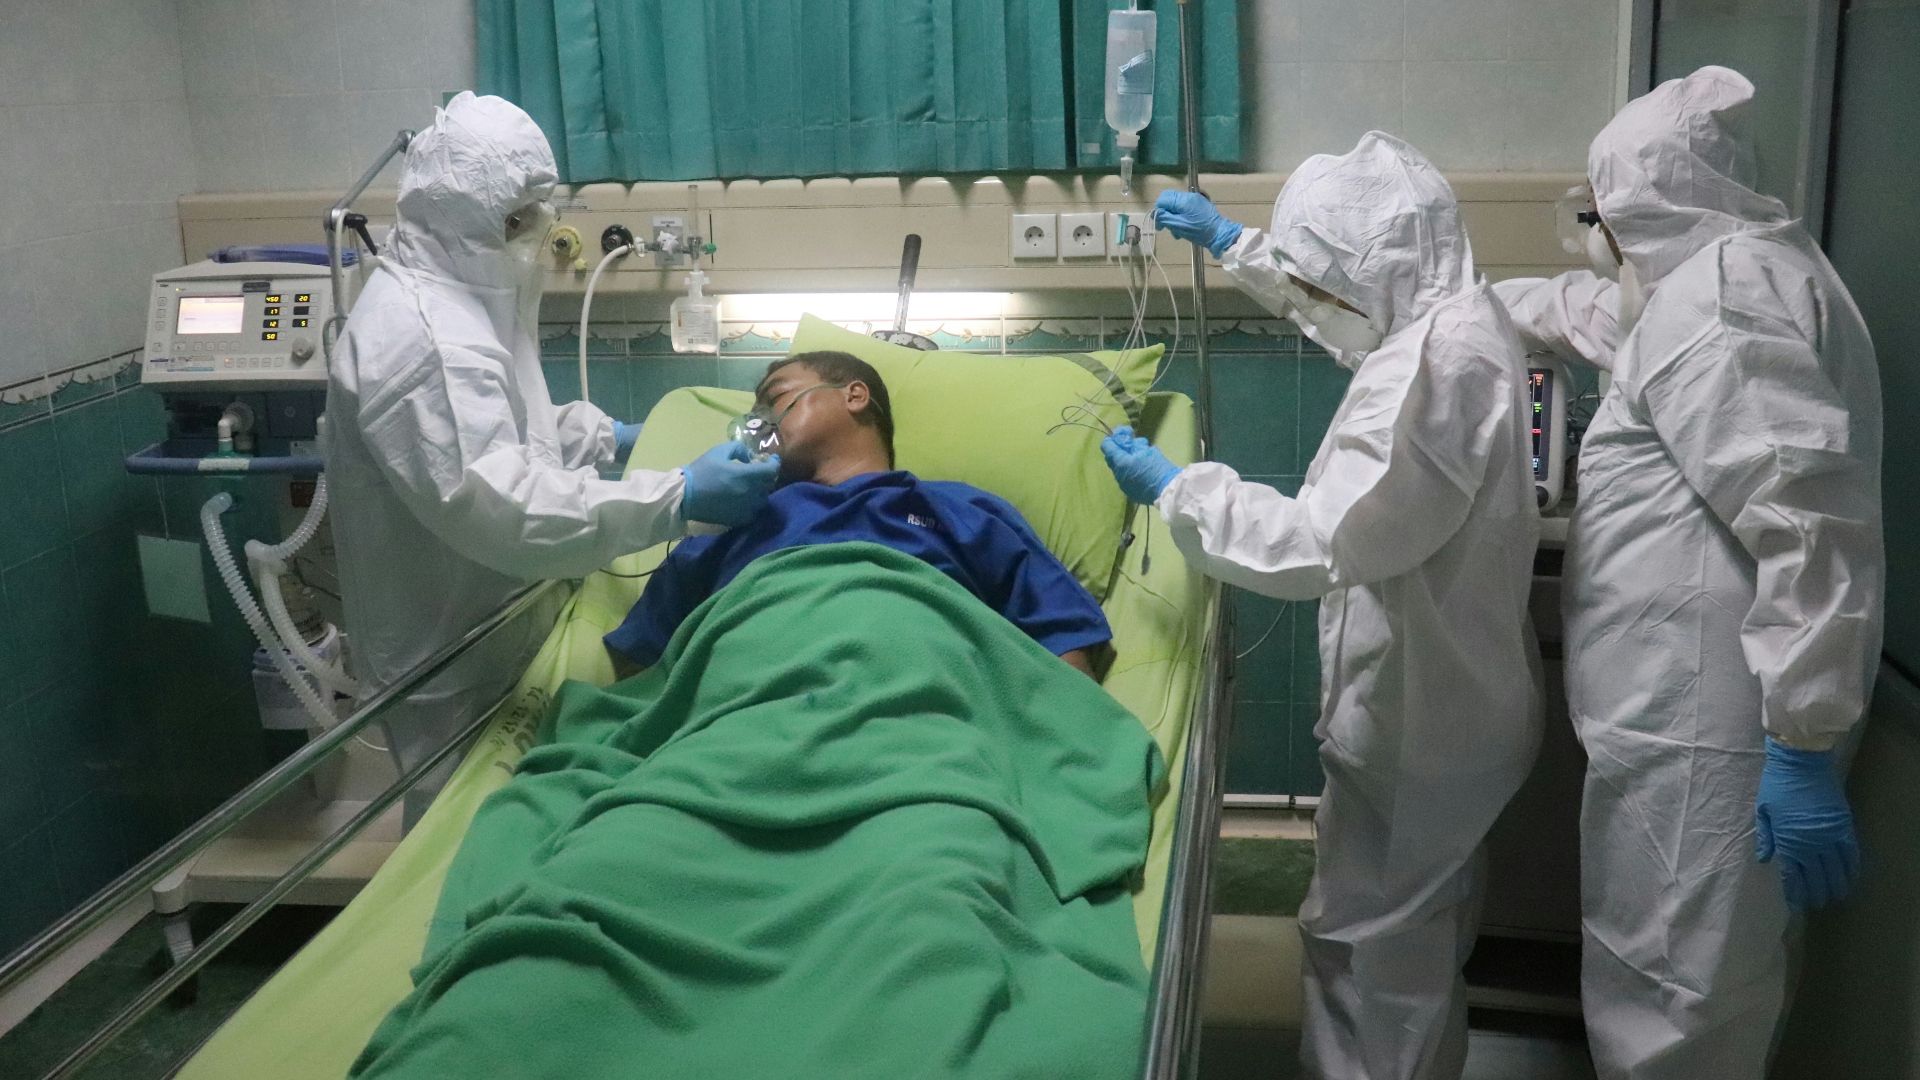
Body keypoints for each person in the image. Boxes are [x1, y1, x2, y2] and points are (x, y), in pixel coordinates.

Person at [1105, 132, 1541, 1080]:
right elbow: (1350, 314)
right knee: (1412, 935)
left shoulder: (1433, 369)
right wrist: (1237, 247)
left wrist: (1179, 492)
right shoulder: (1441, 316)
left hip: (1422, 720)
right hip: (1450, 703)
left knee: (1369, 947)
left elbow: (1319, 542)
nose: (1325, 296)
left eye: (1327, 276)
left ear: (1376, 266)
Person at [1492, 66, 1882, 1079]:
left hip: (1708, 727)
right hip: (1698, 715)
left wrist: (1802, 737)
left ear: (1642, 204)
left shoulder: (1720, 301)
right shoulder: (1726, 278)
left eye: (1601, 214)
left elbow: (1807, 520)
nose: (1594, 236)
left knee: (1674, 994)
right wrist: (1447, 301)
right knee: (1703, 983)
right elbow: (1590, 315)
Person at [326, 92, 779, 817]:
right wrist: (678, 497)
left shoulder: (467, 292)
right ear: (457, 216)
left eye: (538, 209)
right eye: (515, 218)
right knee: (459, 830)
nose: (534, 230)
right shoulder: (419, 339)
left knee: (528, 805)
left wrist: (614, 438)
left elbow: (511, 425)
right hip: (450, 656)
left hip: (507, 619)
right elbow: (501, 505)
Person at [604, 350, 1110, 680]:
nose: (758, 424)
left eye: (775, 398)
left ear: (854, 395)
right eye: (753, 415)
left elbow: (1063, 641)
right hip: (746, 710)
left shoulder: (960, 510)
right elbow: (640, 661)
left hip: (927, 713)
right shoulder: (727, 522)